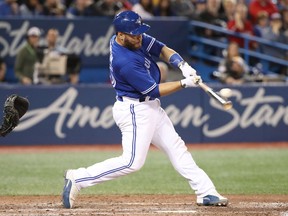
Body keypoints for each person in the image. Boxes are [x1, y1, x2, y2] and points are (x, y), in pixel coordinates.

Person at [62, 10, 228, 209]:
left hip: (148, 106)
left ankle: (206, 191)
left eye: (140, 32)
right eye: (134, 34)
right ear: (121, 35)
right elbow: (154, 90)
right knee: (132, 162)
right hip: (134, 109)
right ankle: (78, 178)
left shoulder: (132, 38)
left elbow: (161, 48)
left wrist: (182, 64)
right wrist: (184, 83)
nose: (139, 37)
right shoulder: (125, 61)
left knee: (176, 147)